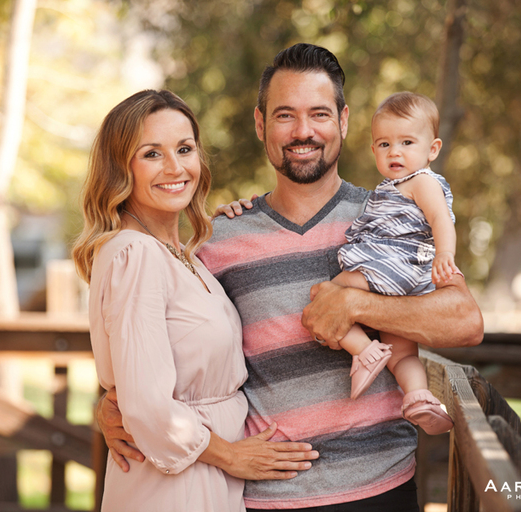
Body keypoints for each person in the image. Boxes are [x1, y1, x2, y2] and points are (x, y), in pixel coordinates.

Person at [97, 45, 483, 511]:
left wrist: (357, 304)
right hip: (265, 496)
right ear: (261, 125)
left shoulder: (394, 217)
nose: (303, 131)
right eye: (285, 115)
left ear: (343, 121)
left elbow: (465, 321)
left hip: (382, 490)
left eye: (319, 114)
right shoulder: (216, 241)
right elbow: (163, 346)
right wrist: (114, 405)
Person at [73, 89, 318, 512]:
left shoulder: (184, 256)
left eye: (184, 149)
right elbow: (146, 404)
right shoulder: (135, 254)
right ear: (120, 167)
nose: (175, 167)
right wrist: (232, 456)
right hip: (175, 484)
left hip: (206, 475)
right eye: (152, 154)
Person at [329, 92, 457, 437]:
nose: (394, 152)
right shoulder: (395, 186)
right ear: (373, 150)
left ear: (432, 149)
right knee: (403, 354)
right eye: (384, 144)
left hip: (392, 267)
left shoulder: (422, 181)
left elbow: (441, 219)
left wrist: (445, 254)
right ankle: (418, 397)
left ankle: (365, 351)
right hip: (409, 279)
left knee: (325, 295)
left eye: (406, 142)